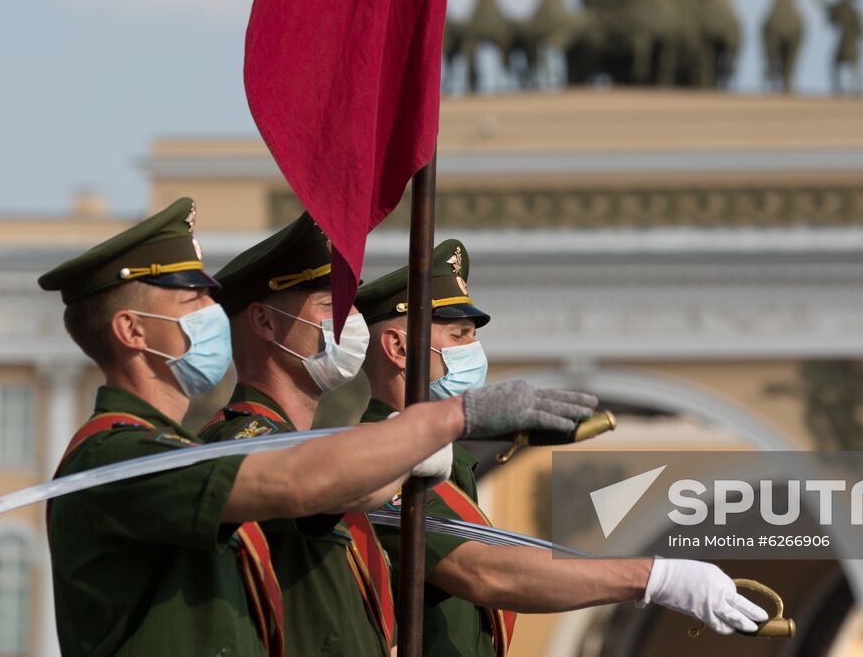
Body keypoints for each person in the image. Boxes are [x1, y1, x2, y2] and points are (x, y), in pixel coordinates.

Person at [38, 199, 599, 657]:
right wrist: (448, 421)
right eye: (193, 301)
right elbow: (299, 482)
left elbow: (334, 483)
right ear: (133, 330)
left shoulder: (181, 454)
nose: (212, 315)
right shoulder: (120, 457)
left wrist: (420, 445)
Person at [355, 239, 770, 655]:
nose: (474, 352)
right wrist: (654, 579)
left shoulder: (445, 465)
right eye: (459, 335)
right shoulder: (378, 461)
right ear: (399, 348)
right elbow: (485, 572)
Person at [200, 212, 435, 657]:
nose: (351, 325)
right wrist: (407, 446)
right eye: (331, 308)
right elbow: (309, 483)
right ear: (265, 323)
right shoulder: (239, 440)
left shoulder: (308, 447)